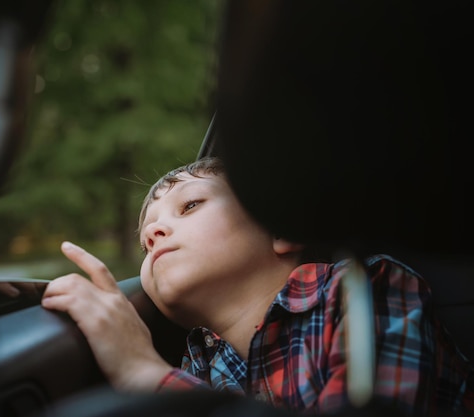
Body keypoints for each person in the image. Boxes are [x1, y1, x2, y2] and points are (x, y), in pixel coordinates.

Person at [40, 156, 474, 416]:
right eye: (144, 238)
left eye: (189, 206)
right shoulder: (200, 363)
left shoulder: (365, 289)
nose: (154, 234)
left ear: (279, 227)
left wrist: (145, 373)